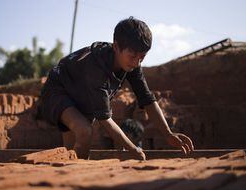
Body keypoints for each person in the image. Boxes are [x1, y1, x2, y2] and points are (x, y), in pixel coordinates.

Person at [38, 17, 194, 160]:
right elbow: (104, 119)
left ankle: (68, 177)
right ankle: (74, 176)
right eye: (132, 56)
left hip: (82, 99)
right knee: (84, 131)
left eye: (142, 57)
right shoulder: (96, 67)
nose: (136, 63)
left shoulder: (132, 64)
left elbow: (147, 99)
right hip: (57, 90)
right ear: (116, 46)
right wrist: (132, 149)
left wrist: (168, 134)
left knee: (70, 150)